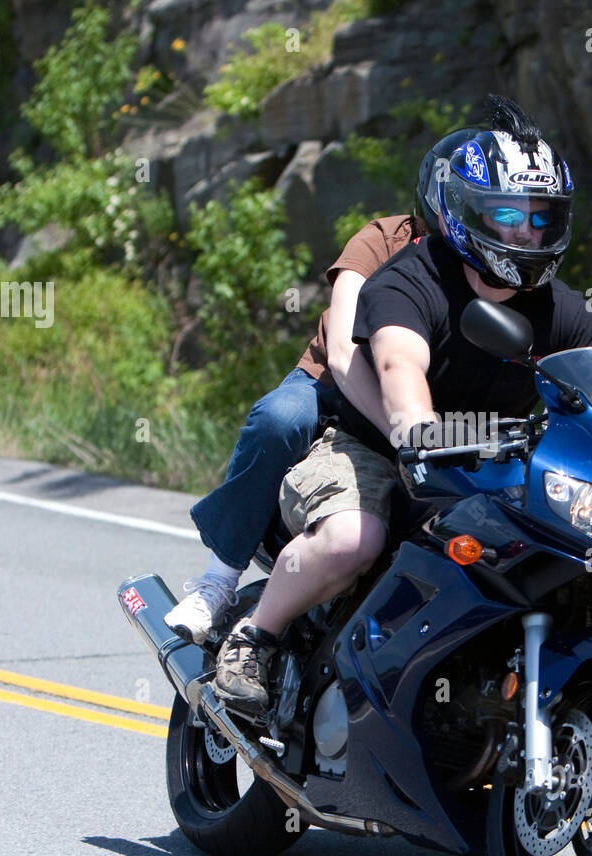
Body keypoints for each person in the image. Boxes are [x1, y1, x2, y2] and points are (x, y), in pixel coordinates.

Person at [211, 95, 592, 715]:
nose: (526, 233)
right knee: (354, 539)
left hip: (500, 465)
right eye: (509, 214)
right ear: (468, 212)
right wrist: (417, 430)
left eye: (541, 218)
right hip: (374, 449)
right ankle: (255, 639)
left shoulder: (560, 307)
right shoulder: (415, 277)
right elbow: (396, 361)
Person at [163, 128, 478, 644]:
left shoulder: (491, 272)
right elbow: (343, 348)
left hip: (422, 403)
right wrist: (414, 441)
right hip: (334, 380)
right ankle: (219, 579)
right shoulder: (382, 239)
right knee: (279, 420)